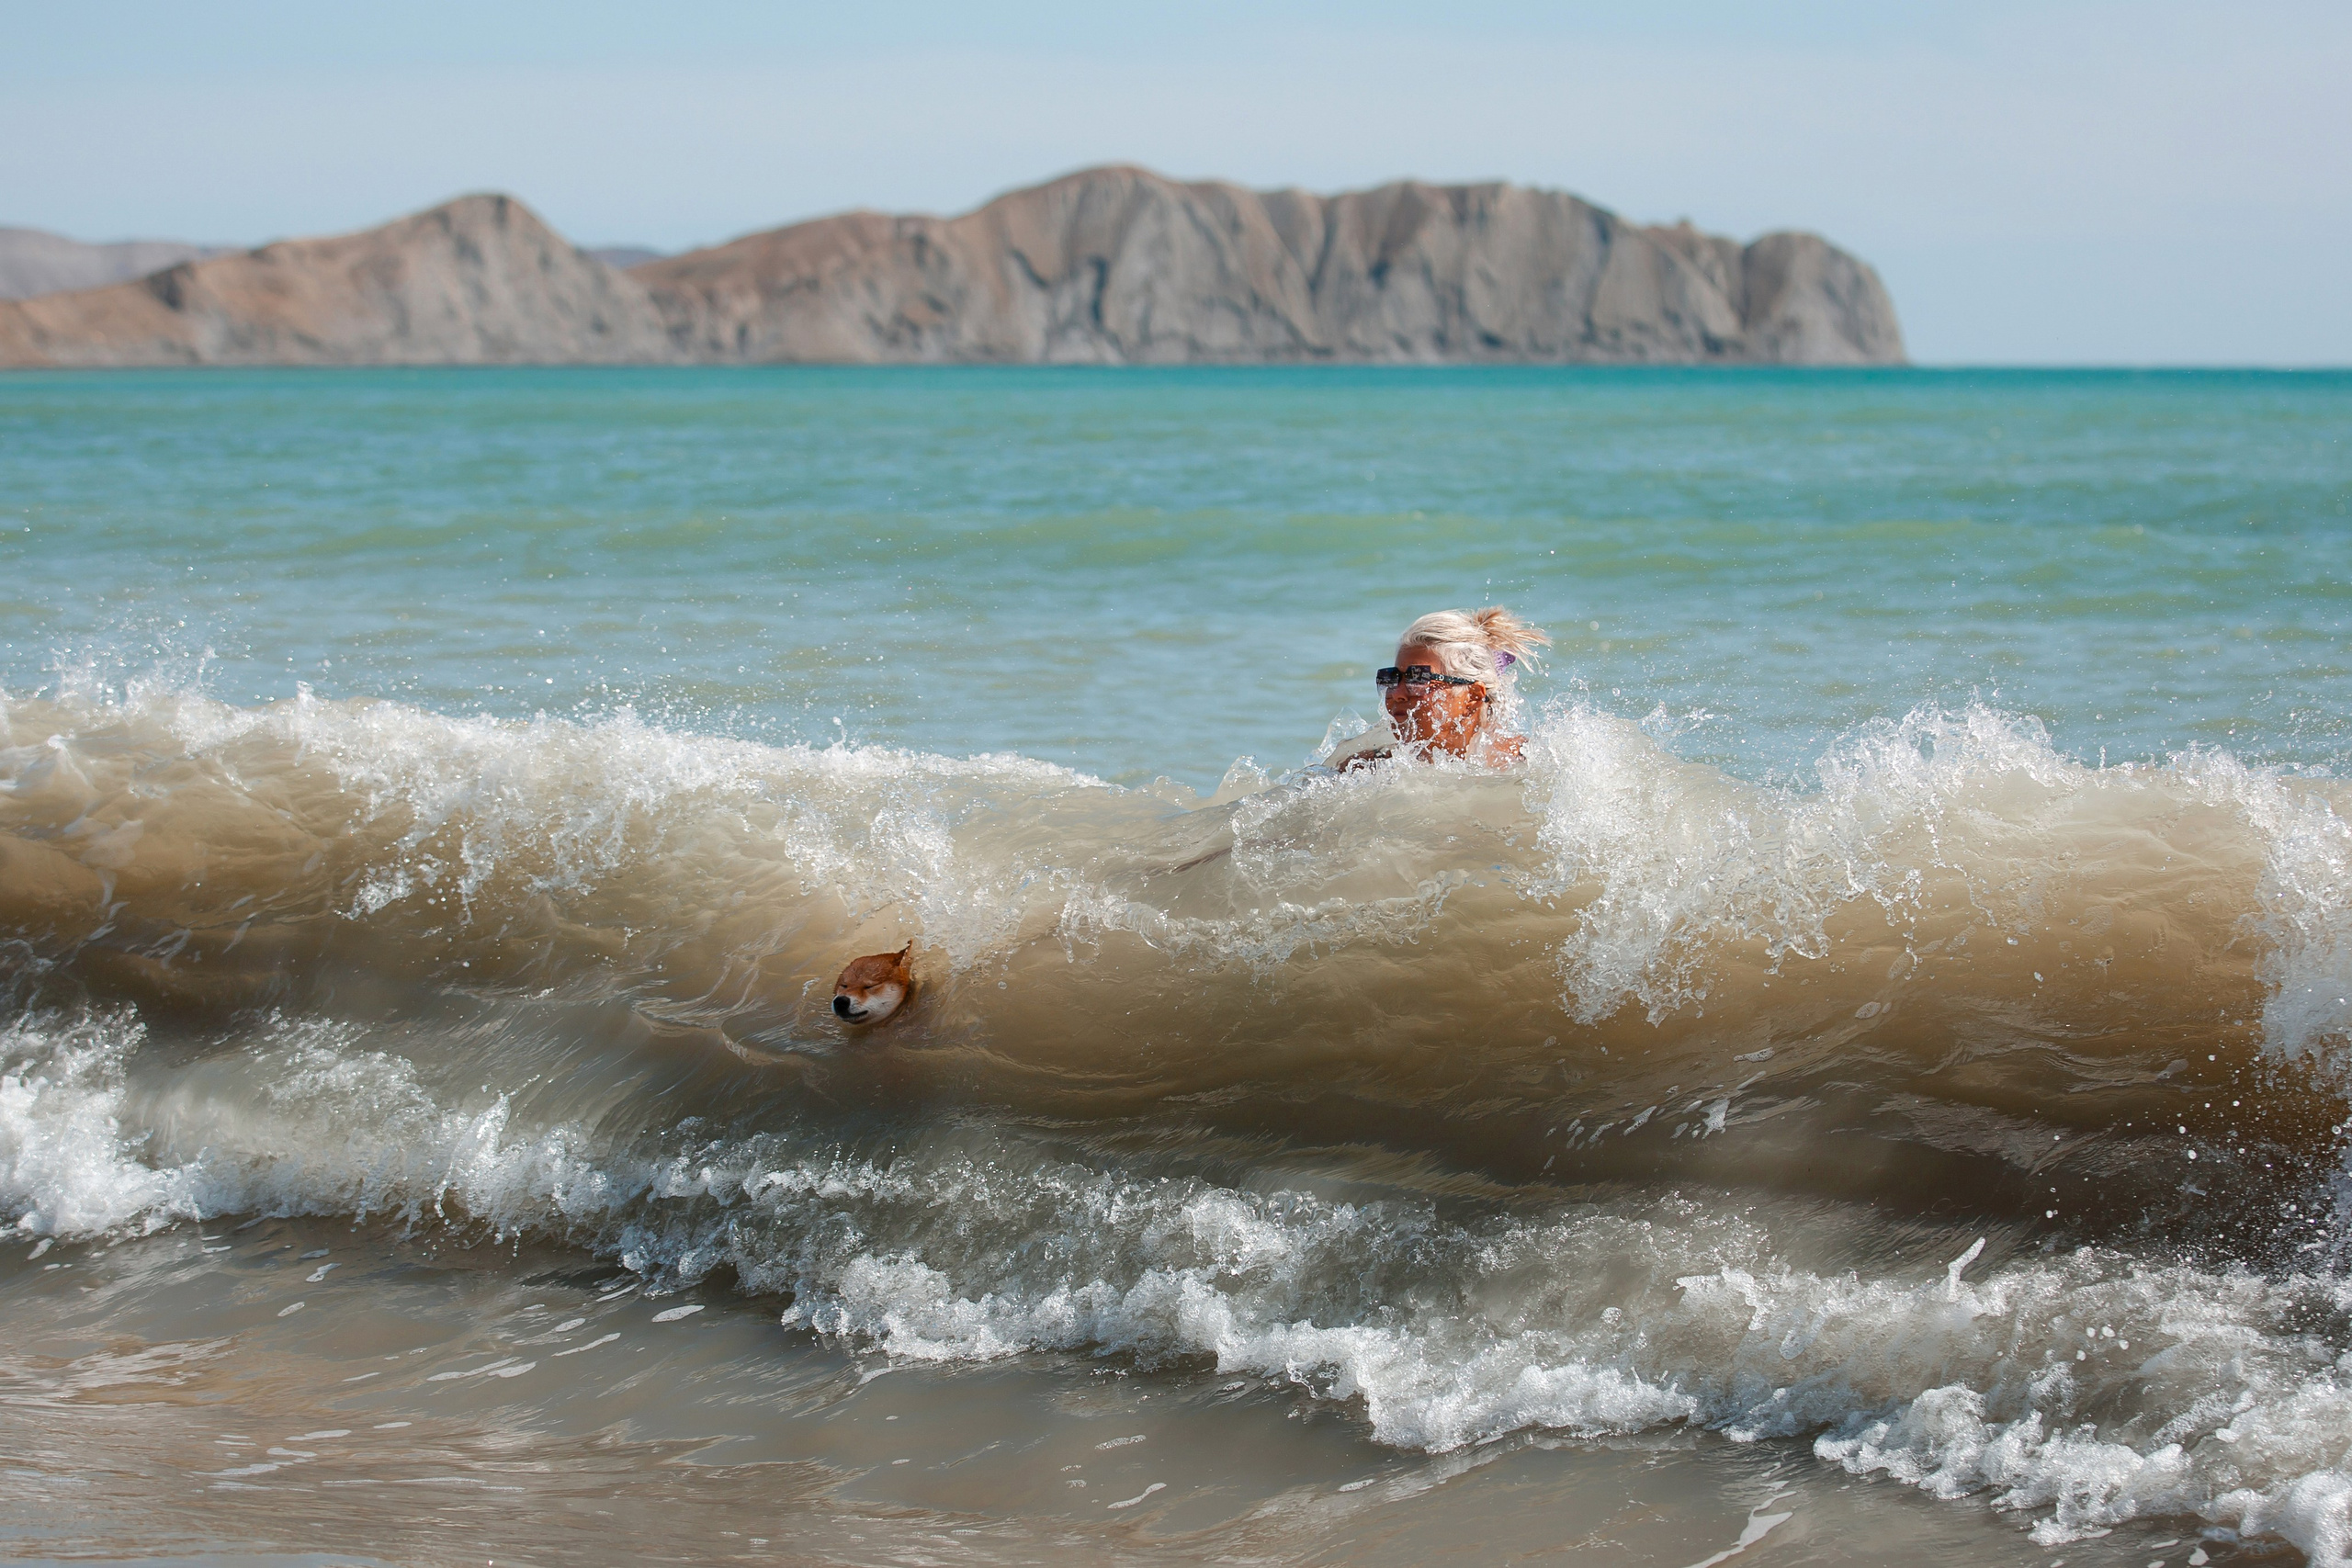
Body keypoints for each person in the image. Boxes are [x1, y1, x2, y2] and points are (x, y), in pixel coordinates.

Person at [1329, 607, 1550, 770]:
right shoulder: (1363, 769)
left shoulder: (1528, 761)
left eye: (1418, 679)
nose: (1396, 693)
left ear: (1472, 697)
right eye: (1392, 678)